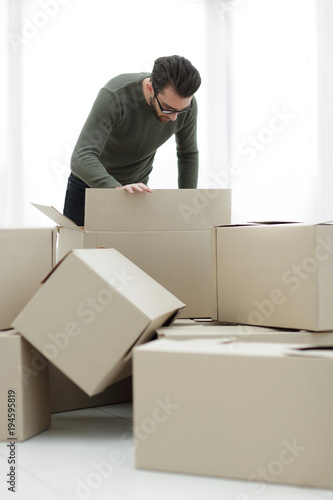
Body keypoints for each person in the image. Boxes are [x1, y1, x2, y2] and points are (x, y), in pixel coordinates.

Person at [63, 55, 201, 226]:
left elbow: (187, 154)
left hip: (135, 192)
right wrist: (116, 190)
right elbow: (81, 158)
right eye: (168, 109)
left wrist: (187, 202)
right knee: (80, 252)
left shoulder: (184, 107)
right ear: (150, 88)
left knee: (130, 252)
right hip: (89, 188)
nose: (174, 118)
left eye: (182, 110)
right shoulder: (115, 95)